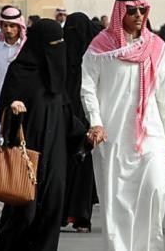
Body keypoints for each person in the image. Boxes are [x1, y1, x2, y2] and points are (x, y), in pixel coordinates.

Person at [80, 0, 165, 251]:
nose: (137, 15)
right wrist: (96, 122)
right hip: (114, 137)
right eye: (131, 11)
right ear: (119, 12)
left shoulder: (156, 48)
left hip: (151, 135)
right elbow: (87, 88)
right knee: (117, 203)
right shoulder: (100, 48)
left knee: (157, 188)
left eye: (141, 10)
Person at [0, 19, 71, 251]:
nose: (58, 49)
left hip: (55, 155)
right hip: (26, 154)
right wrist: (13, 108)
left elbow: (65, 113)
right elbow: (4, 109)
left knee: (51, 213)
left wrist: (86, 132)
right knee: (22, 215)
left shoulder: (57, 74)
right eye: (54, 43)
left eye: (61, 43)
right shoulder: (20, 70)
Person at [61, 12, 101, 233]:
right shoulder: (60, 53)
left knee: (84, 167)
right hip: (65, 118)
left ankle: (82, 217)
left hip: (87, 117)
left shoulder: (95, 56)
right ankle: (62, 213)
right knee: (63, 168)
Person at [0, 6, 26, 145]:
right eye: (5, 25)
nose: (8, 30)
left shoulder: (26, 48)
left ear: (19, 26)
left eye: (12, 26)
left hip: (21, 99)